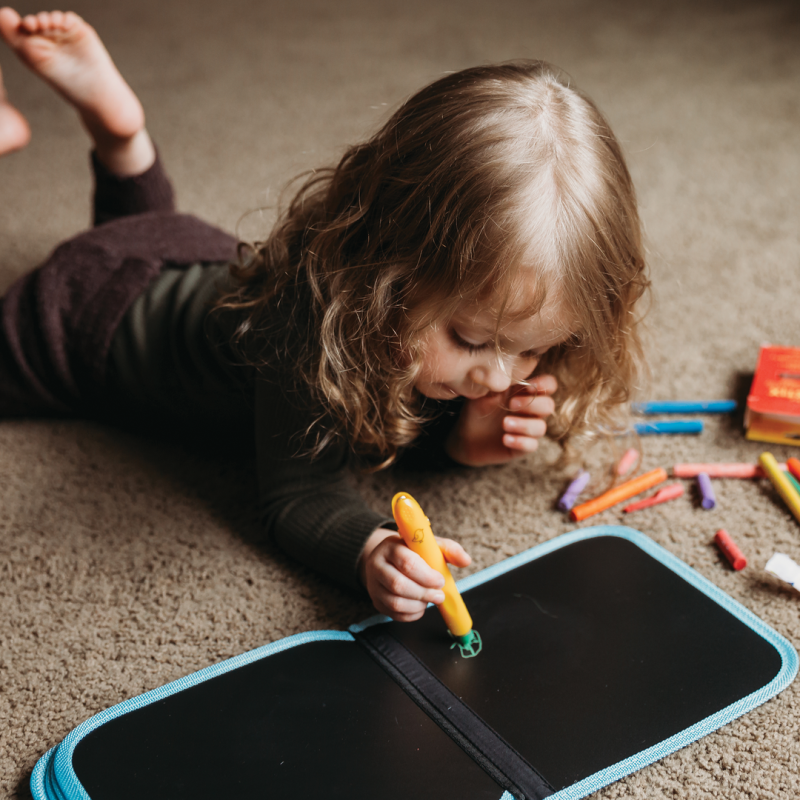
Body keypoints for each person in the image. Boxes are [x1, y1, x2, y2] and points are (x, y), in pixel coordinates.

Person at [0, 8, 649, 624]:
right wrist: (368, 550)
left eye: (531, 350)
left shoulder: (418, 320)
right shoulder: (305, 332)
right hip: (84, 318)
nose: (497, 379)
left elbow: (385, 418)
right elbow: (296, 496)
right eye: (472, 339)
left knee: (148, 233)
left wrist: (459, 442)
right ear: (386, 275)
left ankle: (122, 138)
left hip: (179, 251)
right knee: (115, 260)